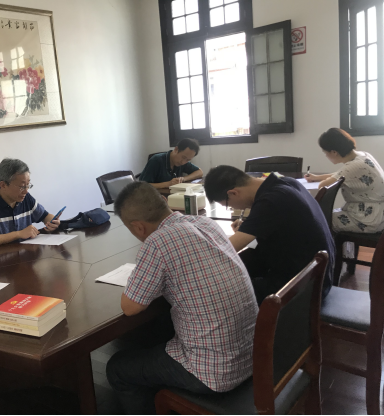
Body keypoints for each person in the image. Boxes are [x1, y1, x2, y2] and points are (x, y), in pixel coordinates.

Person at [106, 182, 258, 415]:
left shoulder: (158, 242)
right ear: (164, 202)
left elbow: (130, 307)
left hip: (213, 373)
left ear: (138, 227)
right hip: (253, 356)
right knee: (161, 327)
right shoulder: (206, 223)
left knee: (118, 368)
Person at [204, 166, 335, 304]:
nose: (233, 208)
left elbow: (226, 250)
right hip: (315, 275)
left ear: (233, 193)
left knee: (219, 293)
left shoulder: (272, 200)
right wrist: (252, 224)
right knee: (241, 269)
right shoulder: (287, 182)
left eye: (228, 205)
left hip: (304, 289)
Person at [305, 128, 384, 233]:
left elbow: (323, 186)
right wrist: (316, 177)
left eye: (325, 152)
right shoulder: (363, 155)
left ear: (334, 152)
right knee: (320, 217)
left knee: (316, 221)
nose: (326, 156)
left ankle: (327, 244)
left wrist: (321, 180)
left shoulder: (352, 167)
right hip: (376, 213)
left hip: (367, 220)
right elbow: (340, 174)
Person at [0, 158, 61, 250]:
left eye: (28, 185)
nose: (26, 191)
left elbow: (45, 216)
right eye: (22, 186)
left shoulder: (26, 198)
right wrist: (19, 234)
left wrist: (53, 222)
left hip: (26, 255)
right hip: (1, 257)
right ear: (3, 185)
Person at [139, 138, 203, 189]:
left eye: (188, 160)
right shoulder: (156, 160)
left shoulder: (183, 162)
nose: (183, 162)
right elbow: (143, 186)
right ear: (176, 149)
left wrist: (183, 179)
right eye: (183, 157)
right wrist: (168, 183)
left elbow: (199, 172)